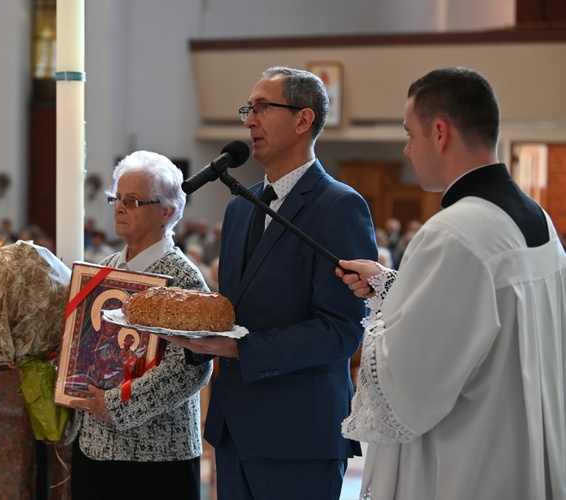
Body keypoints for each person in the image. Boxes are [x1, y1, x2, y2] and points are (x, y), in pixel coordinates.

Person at [337, 67, 566, 500]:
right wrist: (392, 287)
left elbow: (405, 384)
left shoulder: (452, 233)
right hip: (526, 454)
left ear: (439, 132)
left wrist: (382, 315)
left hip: (470, 468)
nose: (407, 149)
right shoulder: (539, 219)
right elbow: (482, 321)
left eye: (409, 134)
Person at [167, 66, 377, 499]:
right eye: (248, 109)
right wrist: (196, 333)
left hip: (298, 434)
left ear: (303, 120)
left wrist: (242, 348)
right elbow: (234, 311)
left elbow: (341, 331)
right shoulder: (241, 208)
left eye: (262, 108)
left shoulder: (338, 206)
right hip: (234, 430)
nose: (248, 121)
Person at [64, 150, 214, 500]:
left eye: (132, 201)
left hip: (158, 458)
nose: (119, 207)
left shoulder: (184, 280)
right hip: (95, 448)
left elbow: (191, 370)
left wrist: (115, 404)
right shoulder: (102, 270)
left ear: (168, 211)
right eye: (117, 198)